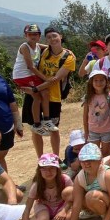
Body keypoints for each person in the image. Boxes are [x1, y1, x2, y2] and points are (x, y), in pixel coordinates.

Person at [23, 27, 76, 157]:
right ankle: (40, 159)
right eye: (49, 37)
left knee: (53, 129)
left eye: (54, 36)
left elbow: (55, 79)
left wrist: (35, 89)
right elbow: (33, 45)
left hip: (52, 96)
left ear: (61, 36)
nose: (52, 39)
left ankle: (55, 158)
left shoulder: (68, 57)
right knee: (35, 129)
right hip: (35, 95)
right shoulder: (44, 51)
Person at [11, 23, 56, 136]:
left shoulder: (37, 46)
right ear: (25, 35)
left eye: (35, 34)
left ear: (39, 36)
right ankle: (38, 123)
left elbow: (48, 47)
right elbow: (30, 66)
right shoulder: (24, 47)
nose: (33, 36)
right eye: (30, 34)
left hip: (29, 75)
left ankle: (45, 119)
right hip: (23, 75)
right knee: (39, 96)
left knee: (44, 93)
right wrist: (46, 79)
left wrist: (63, 50)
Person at [21, 153, 74, 220]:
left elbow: (73, 196)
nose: (48, 172)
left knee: (71, 216)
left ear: (57, 169)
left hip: (62, 205)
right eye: (44, 169)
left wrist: (64, 210)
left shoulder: (65, 179)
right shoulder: (37, 185)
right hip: (44, 206)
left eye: (52, 168)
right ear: (39, 170)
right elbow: (27, 207)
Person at [82, 69, 110, 158]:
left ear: (106, 82)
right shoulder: (88, 97)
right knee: (94, 155)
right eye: (96, 80)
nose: (99, 83)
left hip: (107, 131)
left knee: (106, 154)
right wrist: (86, 132)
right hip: (93, 131)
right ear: (91, 82)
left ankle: (105, 171)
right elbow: (85, 116)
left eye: (102, 80)